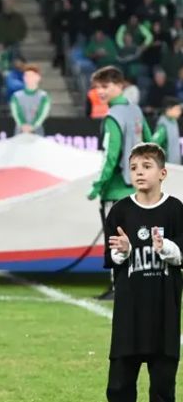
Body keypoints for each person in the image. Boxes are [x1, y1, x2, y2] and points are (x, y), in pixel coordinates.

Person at [104, 143, 183, 402]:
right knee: (119, 388)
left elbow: (181, 254)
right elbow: (112, 258)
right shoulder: (120, 211)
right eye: (134, 167)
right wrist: (124, 251)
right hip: (129, 318)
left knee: (163, 390)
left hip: (164, 317)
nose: (139, 172)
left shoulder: (175, 210)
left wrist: (166, 247)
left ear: (162, 173)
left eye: (147, 166)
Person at [88, 66, 152, 301]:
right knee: (137, 239)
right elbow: (150, 142)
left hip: (116, 188)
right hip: (138, 188)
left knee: (116, 239)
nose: (100, 91)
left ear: (119, 86)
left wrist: (98, 185)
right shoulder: (136, 111)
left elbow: (110, 155)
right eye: (97, 87)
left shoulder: (113, 116)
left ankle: (119, 287)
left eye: (105, 86)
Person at [10, 64, 51, 136]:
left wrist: (32, 126)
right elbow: (16, 114)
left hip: (37, 133)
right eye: (26, 76)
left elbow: (42, 115)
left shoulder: (44, 97)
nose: (29, 78)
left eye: (32, 76)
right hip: (20, 132)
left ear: (38, 77)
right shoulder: (16, 96)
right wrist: (22, 125)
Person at [152, 96, 182, 165]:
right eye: (177, 109)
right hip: (167, 165)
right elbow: (154, 143)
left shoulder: (174, 121)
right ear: (169, 109)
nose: (180, 112)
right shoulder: (163, 126)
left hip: (176, 164)